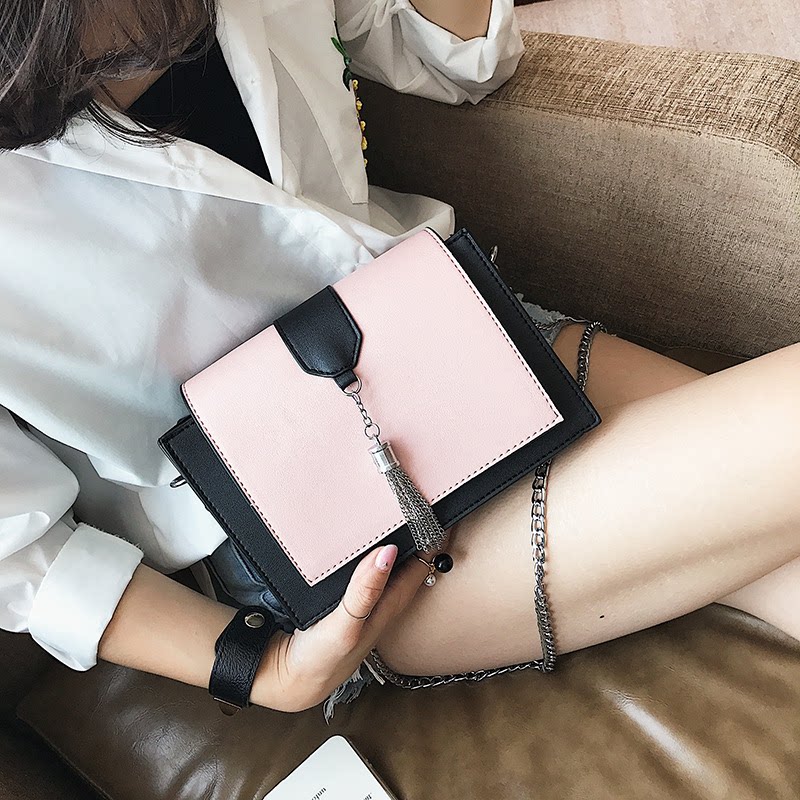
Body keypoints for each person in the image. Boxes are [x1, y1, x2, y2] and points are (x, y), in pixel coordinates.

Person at [0, 0, 798, 720]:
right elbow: (24, 550)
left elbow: (467, 57)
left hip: (462, 342)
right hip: (319, 535)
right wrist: (265, 671)